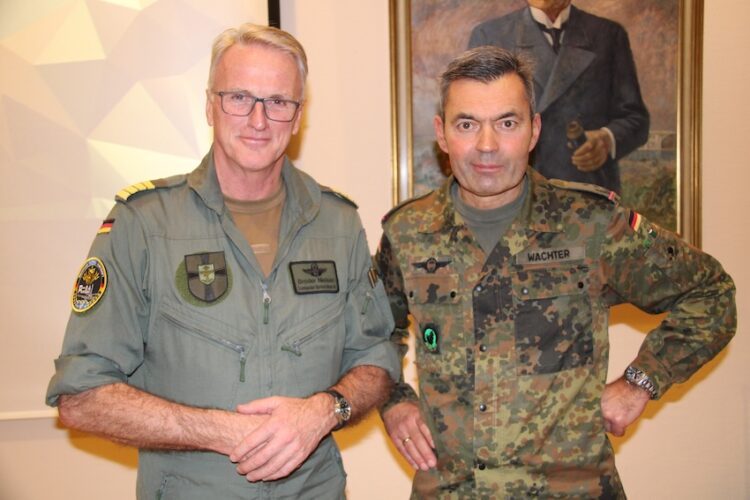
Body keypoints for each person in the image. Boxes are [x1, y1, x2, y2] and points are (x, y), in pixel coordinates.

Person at [46, 23, 400, 499]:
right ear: (210, 105)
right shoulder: (144, 223)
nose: (258, 120)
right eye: (239, 97)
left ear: (298, 116)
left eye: (278, 102)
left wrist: (325, 409)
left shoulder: (337, 223)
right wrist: (220, 431)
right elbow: (81, 396)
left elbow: (377, 358)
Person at [376, 46, 735, 498]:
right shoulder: (407, 232)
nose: (487, 145)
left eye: (507, 123)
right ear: (441, 134)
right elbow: (373, 331)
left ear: (534, 131)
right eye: (467, 124)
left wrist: (640, 382)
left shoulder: (590, 223)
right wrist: (394, 401)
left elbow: (711, 292)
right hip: (451, 488)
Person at [468, 0, 649, 193]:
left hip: (588, 192)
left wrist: (607, 139)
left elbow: (636, 119)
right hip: (518, 192)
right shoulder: (490, 35)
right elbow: (473, 118)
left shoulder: (609, 35)